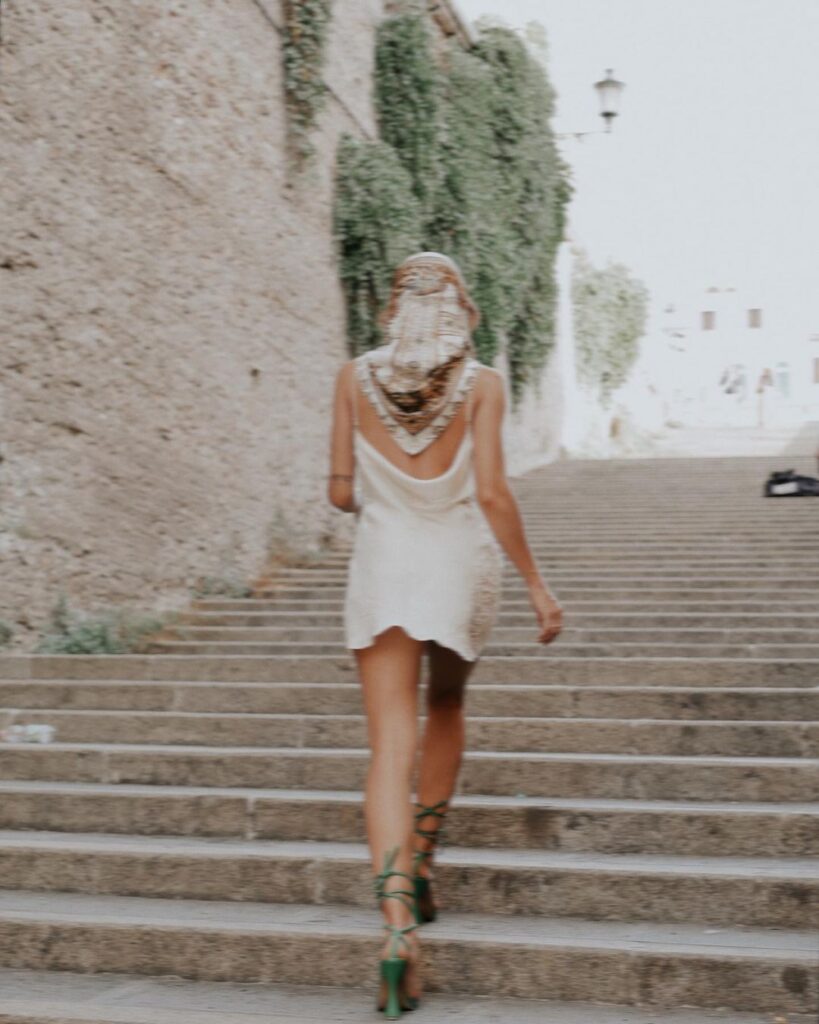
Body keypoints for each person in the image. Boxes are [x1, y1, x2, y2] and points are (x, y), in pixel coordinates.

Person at [327, 251, 562, 1019]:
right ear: (460, 309)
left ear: (394, 309)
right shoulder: (483, 384)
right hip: (458, 563)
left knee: (386, 747)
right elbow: (491, 491)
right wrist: (534, 582)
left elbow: (338, 492)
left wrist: (384, 483)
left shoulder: (351, 378)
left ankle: (396, 929)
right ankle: (423, 860)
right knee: (448, 709)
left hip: (384, 564)